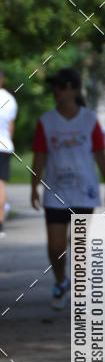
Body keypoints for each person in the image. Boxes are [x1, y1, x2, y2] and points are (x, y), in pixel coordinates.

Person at [30, 68, 105, 310]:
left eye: (60, 86)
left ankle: (79, 290)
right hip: (55, 192)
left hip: (84, 191)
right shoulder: (46, 121)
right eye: (54, 86)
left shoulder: (89, 120)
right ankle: (60, 280)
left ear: (74, 90)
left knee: (77, 243)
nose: (55, 91)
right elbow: (39, 156)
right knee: (55, 247)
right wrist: (34, 186)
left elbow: (100, 155)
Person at [0, 69, 18, 238]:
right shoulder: (10, 99)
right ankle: (0, 225)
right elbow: (10, 128)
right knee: (1, 185)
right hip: (4, 146)